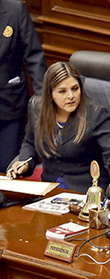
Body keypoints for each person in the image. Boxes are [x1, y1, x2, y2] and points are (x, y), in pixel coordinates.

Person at [6, 62, 110, 202]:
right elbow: (30, 142)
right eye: (62, 91)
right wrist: (24, 162)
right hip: (48, 190)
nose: (71, 96)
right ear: (50, 93)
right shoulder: (37, 108)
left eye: (75, 89)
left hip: (84, 194)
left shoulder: (95, 114)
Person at [0, 0, 47, 171]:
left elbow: (35, 57)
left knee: (8, 168)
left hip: (10, 105)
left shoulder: (15, 9)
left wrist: (43, 100)